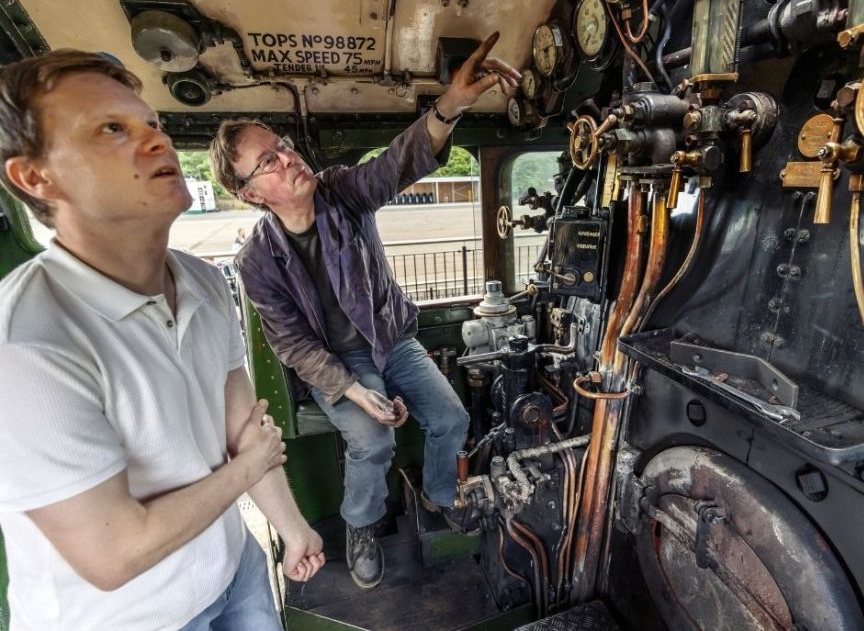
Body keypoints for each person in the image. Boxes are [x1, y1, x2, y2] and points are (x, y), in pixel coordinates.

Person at [0, 50, 325, 630]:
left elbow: (244, 429)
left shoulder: (200, 280)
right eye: (111, 130)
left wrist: (291, 527)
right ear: (35, 177)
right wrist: (244, 472)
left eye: (152, 124)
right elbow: (115, 553)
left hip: (234, 575)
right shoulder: (27, 345)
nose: (157, 142)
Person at [208, 32, 520, 589]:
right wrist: (354, 390)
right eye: (269, 161)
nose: (287, 158)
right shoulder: (257, 262)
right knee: (372, 440)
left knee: (451, 416)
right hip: (335, 364)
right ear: (252, 193)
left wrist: (451, 105)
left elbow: (394, 166)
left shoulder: (341, 193)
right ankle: (362, 525)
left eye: (283, 146)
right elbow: (294, 345)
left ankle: (441, 493)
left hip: (391, 341)